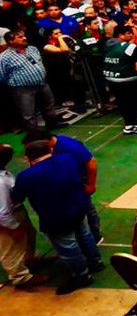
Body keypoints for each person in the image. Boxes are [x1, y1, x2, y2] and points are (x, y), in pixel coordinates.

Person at [11, 139, 103, 295]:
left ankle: (82, 276)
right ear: (51, 151)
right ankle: (96, 262)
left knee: (69, 247)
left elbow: (16, 196)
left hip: (56, 216)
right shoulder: (67, 159)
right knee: (85, 235)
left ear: (27, 158)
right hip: (79, 206)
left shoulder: (26, 176)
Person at [0, 144, 50, 290]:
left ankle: (29, 260)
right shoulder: (0, 182)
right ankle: (20, 278)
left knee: (28, 236)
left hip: (16, 212)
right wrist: (13, 227)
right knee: (11, 247)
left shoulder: (4, 174)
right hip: (8, 218)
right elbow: (1, 212)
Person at [0, 30, 58, 131]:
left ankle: (53, 124)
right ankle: (34, 133)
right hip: (23, 89)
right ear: (11, 41)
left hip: (42, 83)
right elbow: (2, 75)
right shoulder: (4, 57)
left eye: (24, 36)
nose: (24, 38)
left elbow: (40, 62)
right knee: (28, 114)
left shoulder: (32, 49)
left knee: (49, 107)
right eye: (20, 37)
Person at [103, 25, 137, 135]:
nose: (131, 35)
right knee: (133, 102)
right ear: (120, 35)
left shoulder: (107, 44)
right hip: (127, 79)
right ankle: (130, 126)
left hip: (111, 78)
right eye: (128, 33)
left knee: (123, 102)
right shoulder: (130, 47)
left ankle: (134, 121)